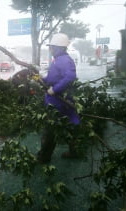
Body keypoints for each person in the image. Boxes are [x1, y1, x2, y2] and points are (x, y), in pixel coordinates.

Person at [37, 33, 81, 164]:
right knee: (70, 125)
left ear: (59, 48)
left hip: (59, 101)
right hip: (62, 100)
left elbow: (70, 77)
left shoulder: (64, 60)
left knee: (50, 129)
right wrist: (42, 79)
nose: (50, 49)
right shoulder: (58, 59)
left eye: (52, 47)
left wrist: (54, 89)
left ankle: (44, 157)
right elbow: (54, 77)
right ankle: (74, 151)